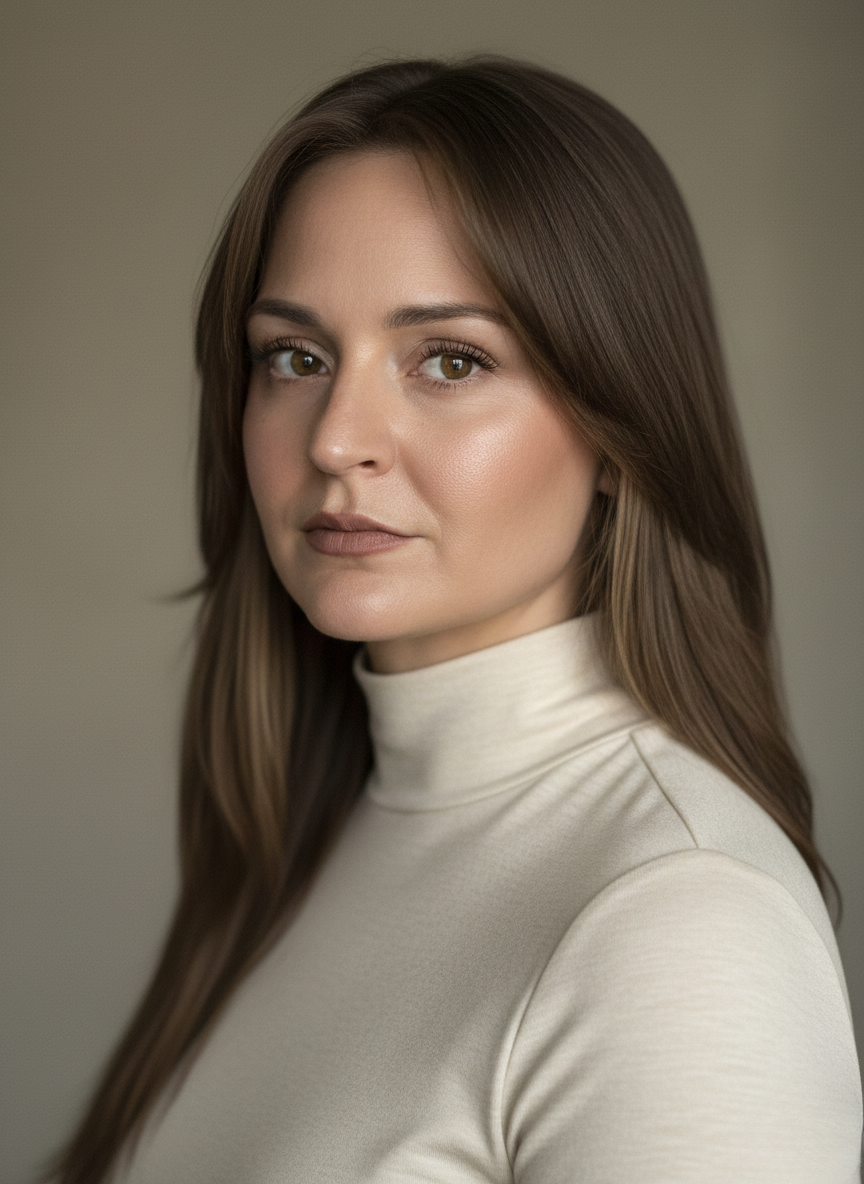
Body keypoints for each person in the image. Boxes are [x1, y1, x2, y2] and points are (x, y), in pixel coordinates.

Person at [48, 56, 862, 1184]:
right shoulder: (308, 830)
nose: (336, 438)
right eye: (296, 355)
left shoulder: (680, 924)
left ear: (622, 429)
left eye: (448, 358)